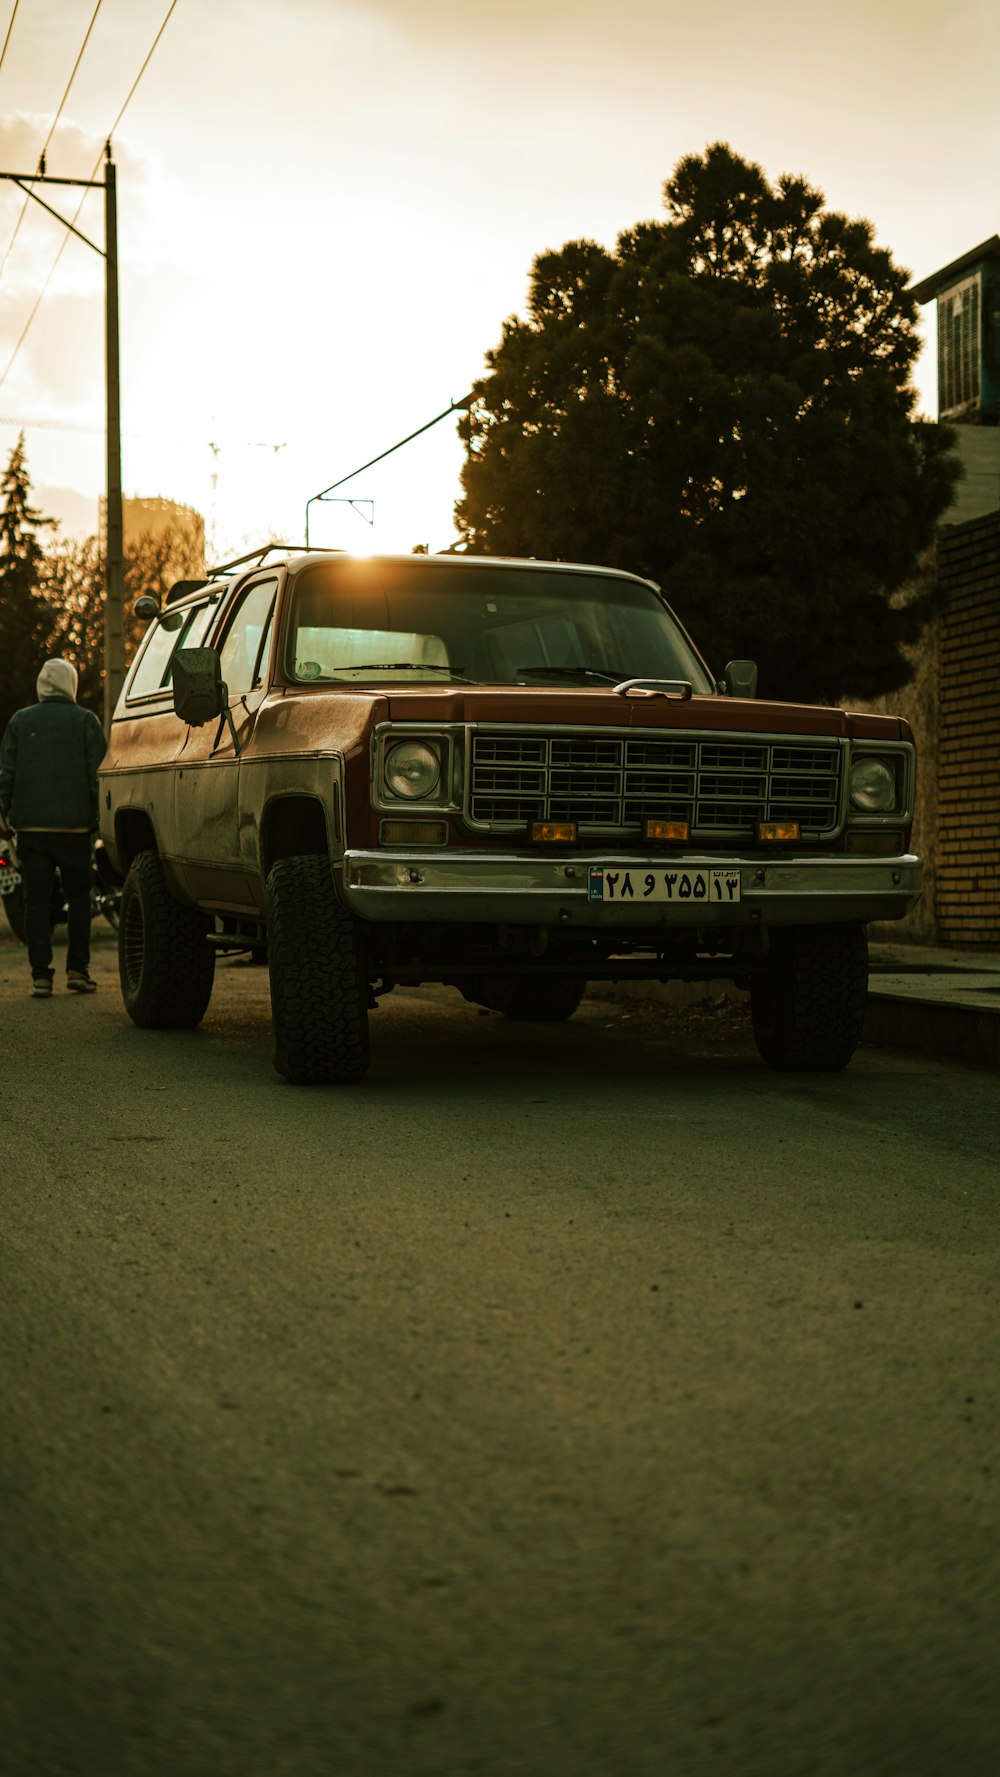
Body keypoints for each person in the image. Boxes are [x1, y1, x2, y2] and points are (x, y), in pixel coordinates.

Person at [0, 658, 108, 996]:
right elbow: (99, 776)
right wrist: (97, 819)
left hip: (30, 828)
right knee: (79, 898)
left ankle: (40, 977)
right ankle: (77, 970)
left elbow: (6, 775)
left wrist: (6, 817)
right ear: (71, 685)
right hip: (75, 829)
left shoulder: (20, 721)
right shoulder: (85, 722)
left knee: (35, 901)